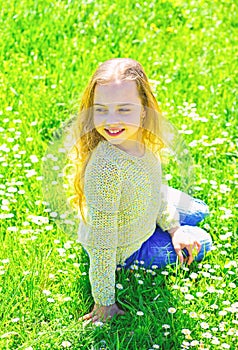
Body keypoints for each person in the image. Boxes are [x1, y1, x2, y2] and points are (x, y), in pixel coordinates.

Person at [69, 58, 212, 325]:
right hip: (128, 246)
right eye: (101, 110)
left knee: (200, 210)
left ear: (144, 110)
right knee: (204, 241)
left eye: (124, 109)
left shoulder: (140, 142)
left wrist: (174, 228)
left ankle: (172, 225)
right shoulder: (106, 170)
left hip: (143, 207)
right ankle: (159, 237)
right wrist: (104, 302)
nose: (112, 121)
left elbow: (153, 189)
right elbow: (102, 243)